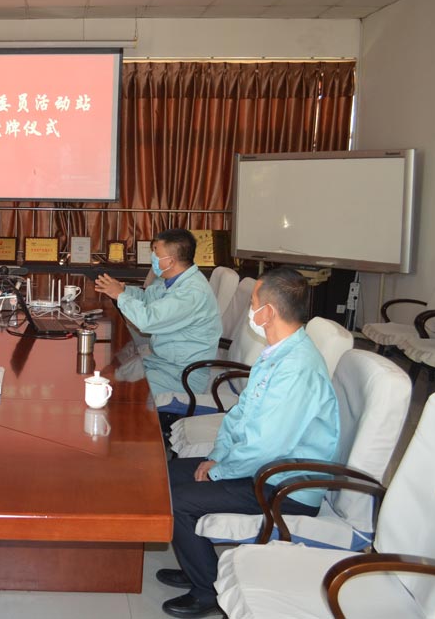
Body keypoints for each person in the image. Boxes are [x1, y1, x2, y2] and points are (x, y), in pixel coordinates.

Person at [157, 267, 339, 618]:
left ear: (268, 312)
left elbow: (267, 445)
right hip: (261, 468)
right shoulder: (278, 353)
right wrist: (217, 456)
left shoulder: (297, 367)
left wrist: (219, 471)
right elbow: (240, 416)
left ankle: (206, 590)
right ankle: (198, 564)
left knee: (179, 500)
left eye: (254, 303)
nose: (251, 311)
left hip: (286, 484)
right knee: (169, 474)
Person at [94, 229, 222, 417]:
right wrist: (125, 290)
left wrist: (119, 295)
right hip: (163, 362)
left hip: (181, 374)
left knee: (122, 397)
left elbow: (148, 320)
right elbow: (148, 297)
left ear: (171, 261)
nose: (152, 256)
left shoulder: (192, 292)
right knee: (111, 379)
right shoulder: (174, 280)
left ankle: (149, 432)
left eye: (156, 252)